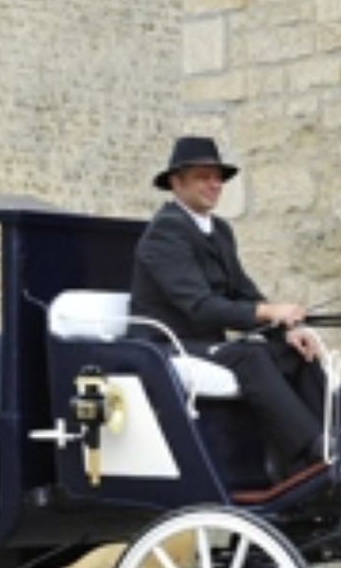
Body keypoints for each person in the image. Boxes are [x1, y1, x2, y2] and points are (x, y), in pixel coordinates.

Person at [129, 136, 329, 479]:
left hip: (208, 344)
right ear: (177, 183)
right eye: (203, 177)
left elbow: (242, 291)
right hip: (169, 345)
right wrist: (268, 313)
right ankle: (309, 448)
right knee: (250, 356)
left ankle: (331, 437)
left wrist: (287, 328)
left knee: (293, 350)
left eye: (218, 177)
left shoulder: (219, 230)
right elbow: (200, 307)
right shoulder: (165, 233)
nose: (214, 184)